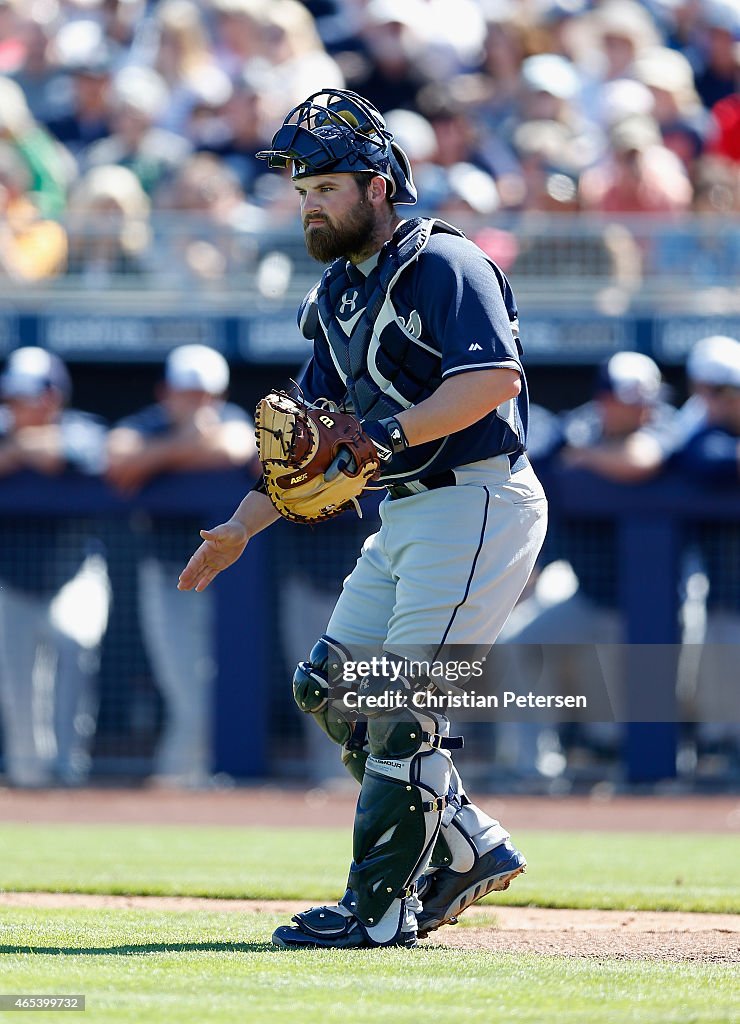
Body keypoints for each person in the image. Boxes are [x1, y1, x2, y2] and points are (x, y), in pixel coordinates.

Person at [178, 88, 547, 949]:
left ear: (378, 185)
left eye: (326, 188)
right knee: (329, 690)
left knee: (399, 711)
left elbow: (494, 380)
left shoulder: (446, 262)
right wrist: (239, 528)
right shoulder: (339, 293)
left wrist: (379, 434)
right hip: (409, 511)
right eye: (302, 191)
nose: (309, 203)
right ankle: (466, 846)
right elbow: (308, 446)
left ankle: (378, 914)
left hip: (478, 498)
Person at [107, 344, 257, 786]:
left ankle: (195, 777)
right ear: (165, 392)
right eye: (187, 393)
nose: (197, 403)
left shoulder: (233, 419)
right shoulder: (147, 424)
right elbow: (117, 461)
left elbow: (235, 447)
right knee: (183, 686)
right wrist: (184, 446)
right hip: (169, 575)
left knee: (219, 685)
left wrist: (157, 458)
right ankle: (179, 779)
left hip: (231, 581)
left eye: (205, 394)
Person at [0, 347, 110, 787]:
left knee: (74, 648)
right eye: (13, 398)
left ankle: (69, 770)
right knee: (18, 682)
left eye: (27, 397)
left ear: (52, 397)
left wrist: (23, 448)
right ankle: (29, 777)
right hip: (10, 576)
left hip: (74, 570)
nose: (17, 407)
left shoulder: (81, 427)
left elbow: (90, 452)